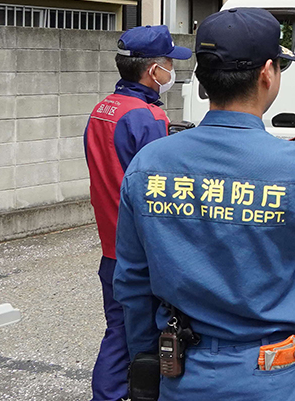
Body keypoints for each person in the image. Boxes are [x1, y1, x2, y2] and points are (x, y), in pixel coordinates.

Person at [113, 8, 295, 400]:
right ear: (267, 74)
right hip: (272, 374)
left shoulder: (150, 164)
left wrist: (147, 356)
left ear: (203, 80)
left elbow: (132, 280)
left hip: (182, 371)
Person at [84, 25, 193, 401]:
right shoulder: (148, 118)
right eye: (169, 64)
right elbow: (158, 189)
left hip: (110, 241)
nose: (171, 73)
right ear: (153, 71)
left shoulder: (103, 109)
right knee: (142, 337)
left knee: (118, 326)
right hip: (139, 248)